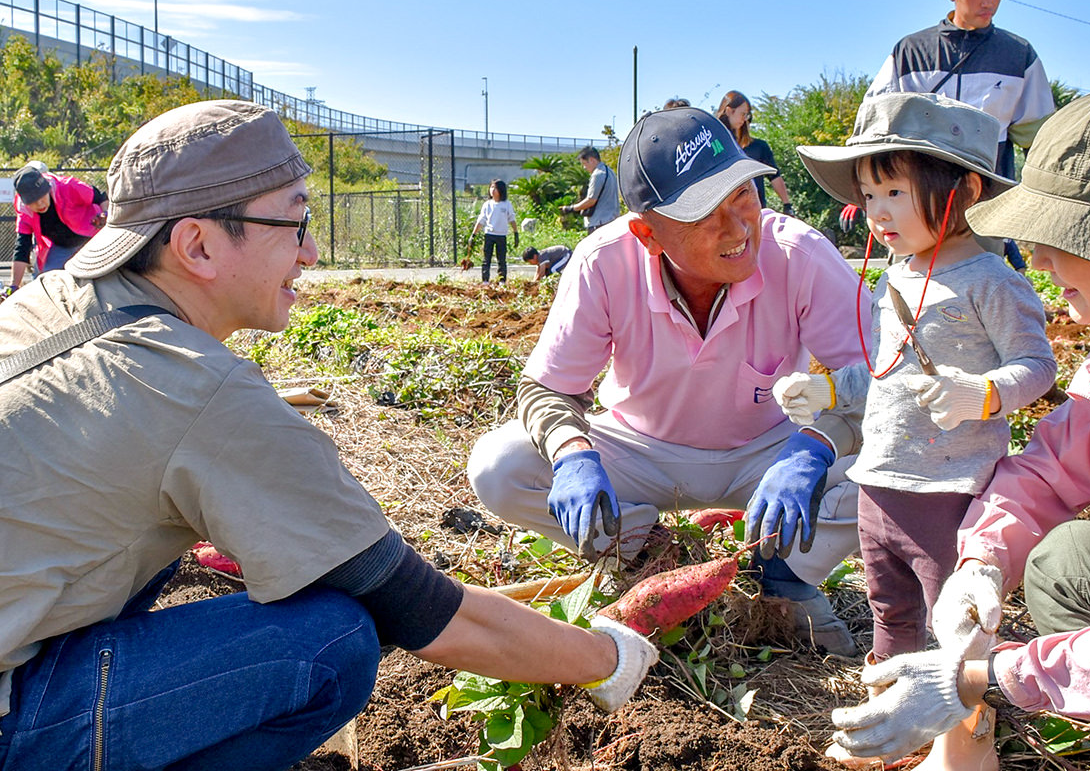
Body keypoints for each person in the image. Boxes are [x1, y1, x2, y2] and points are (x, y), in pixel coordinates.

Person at [0, 100, 657, 770]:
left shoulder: (44, 300)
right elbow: (420, 609)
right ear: (197, 244)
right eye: (295, 221)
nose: (311, 252)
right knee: (330, 639)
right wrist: (607, 657)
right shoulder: (200, 389)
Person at [828, 89, 1090, 771]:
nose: (1041, 259)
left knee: (1089, 576)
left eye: (1058, 239)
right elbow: (1056, 460)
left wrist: (976, 679)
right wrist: (981, 562)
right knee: (1069, 560)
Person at [469, 106, 872, 656]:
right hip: (641, 452)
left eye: (742, 195)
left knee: (906, 453)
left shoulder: (799, 254)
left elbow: (879, 380)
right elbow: (546, 388)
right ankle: (642, 554)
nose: (737, 228)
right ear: (648, 233)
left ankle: (785, 571)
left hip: (769, 456)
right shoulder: (605, 262)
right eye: (704, 213)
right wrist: (572, 456)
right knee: (500, 467)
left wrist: (815, 449)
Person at [781, 92, 1056, 769]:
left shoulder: (992, 280)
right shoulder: (894, 275)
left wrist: (985, 393)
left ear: (962, 190)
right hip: (880, 481)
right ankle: (891, 723)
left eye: (895, 192)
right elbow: (883, 370)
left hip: (950, 490)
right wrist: (827, 390)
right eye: (869, 194)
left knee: (953, 623)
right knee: (889, 608)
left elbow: (1039, 367)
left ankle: (964, 741)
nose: (876, 211)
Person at [865, 0, 1054, 271]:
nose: (988, 1)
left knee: (980, 292)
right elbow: (878, 125)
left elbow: (1038, 137)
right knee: (906, 292)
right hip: (913, 199)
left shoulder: (1018, 55)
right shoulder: (911, 51)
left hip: (983, 204)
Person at [6, 164, 108, 293]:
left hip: (92, 239)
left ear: (47, 188)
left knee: (101, 279)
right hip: (62, 246)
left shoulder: (67, 186)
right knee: (48, 283)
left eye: (41, 195)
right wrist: (13, 286)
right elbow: (22, 247)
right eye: (32, 200)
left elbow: (101, 197)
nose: (39, 203)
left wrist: (106, 214)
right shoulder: (24, 210)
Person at [716, 90, 794, 216]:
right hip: (726, 214)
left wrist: (787, 205)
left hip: (754, 213)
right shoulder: (716, 145)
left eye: (747, 115)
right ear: (729, 111)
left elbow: (775, 176)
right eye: (743, 114)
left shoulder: (758, 147)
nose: (745, 119)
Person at [559, 146, 620, 231]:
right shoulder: (610, 172)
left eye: (584, 164)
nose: (584, 167)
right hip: (612, 221)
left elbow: (591, 200)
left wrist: (571, 208)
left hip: (599, 223)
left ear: (592, 160)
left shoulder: (597, 175)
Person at [470, 179, 518, 282]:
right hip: (489, 234)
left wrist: (516, 233)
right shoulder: (487, 204)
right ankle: (485, 281)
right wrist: (473, 235)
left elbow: (512, 219)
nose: (492, 190)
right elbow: (481, 220)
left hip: (501, 235)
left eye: (495, 188)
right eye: (491, 187)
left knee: (501, 260)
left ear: (501, 190)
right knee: (486, 259)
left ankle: (502, 281)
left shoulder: (506, 204)